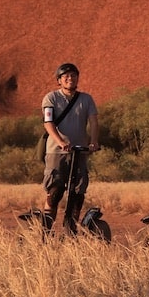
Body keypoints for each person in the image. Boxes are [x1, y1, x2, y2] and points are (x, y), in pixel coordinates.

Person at [41, 63, 99, 234]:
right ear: (59, 80)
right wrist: (59, 141)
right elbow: (48, 123)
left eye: (73, 75)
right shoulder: (50, 98)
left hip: (79, 151)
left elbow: (94, 121)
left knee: (78, 191)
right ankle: (45, 230)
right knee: (55, 190)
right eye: (65, 76)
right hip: (57, 152)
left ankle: (70, 229)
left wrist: (94, 142)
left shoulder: (86, 99)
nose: (70, 78)